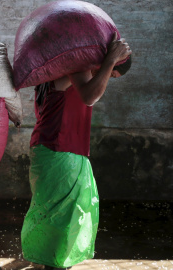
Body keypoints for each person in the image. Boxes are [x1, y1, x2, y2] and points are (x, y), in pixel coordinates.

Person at [21, 32, 132, 270]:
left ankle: (42, 260)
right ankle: (51, 263)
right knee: (64, 213)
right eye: (111, 75)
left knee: (53, 209)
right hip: (59, 148)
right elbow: (90, 96)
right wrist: (110, 61)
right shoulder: (77, 67)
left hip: (52, 148)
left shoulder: (57, 70)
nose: (106, 79)